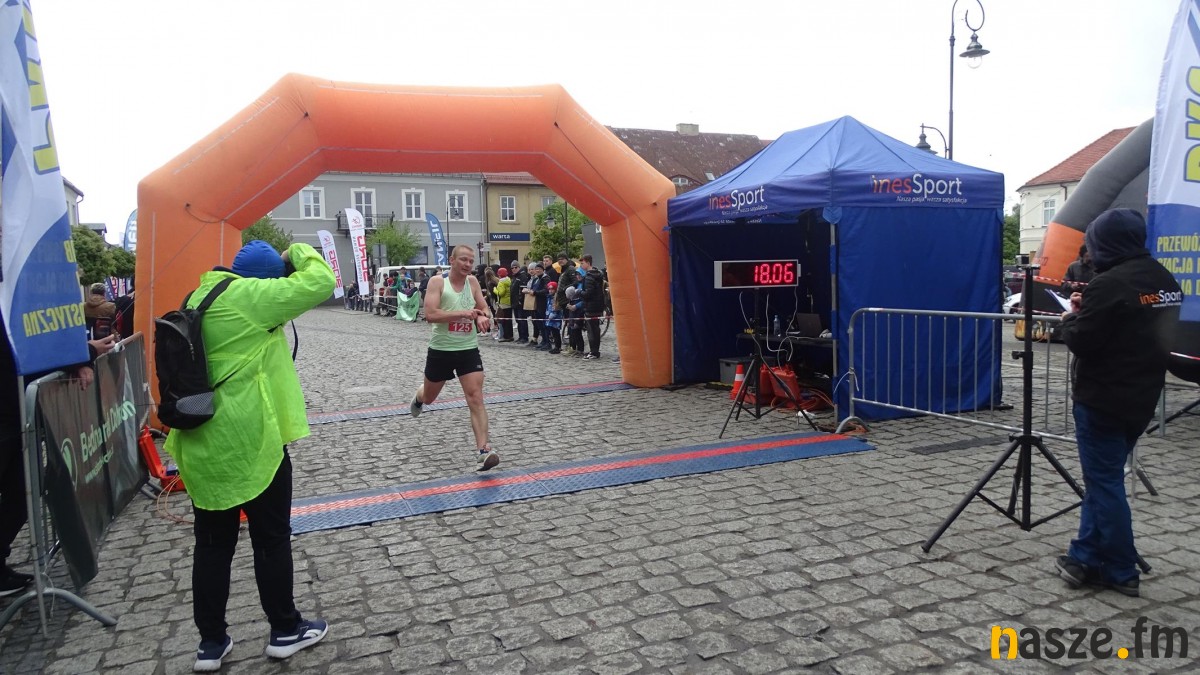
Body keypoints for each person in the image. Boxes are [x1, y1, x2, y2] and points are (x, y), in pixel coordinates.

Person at [163, 240, 333, 671]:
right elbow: (322, 281)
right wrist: (296, 251)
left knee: (212, 545)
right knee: (270, 538)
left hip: (201, 444)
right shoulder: (251, 297)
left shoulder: (201, 294)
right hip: (251, 442)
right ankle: (285, 629)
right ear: (267, 280)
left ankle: (211, 643)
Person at [1054, 209, 1181, 598]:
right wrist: (1090, 308)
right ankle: (1083, 557)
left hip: (1103, 398)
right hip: (1141, 396)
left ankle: (1121, 569)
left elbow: (1084, 339)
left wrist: (1070, 318)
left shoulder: (1108, 284)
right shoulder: (1164, 279)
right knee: (1104, 479)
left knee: (1105, 483)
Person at [0, 317, 96, 597]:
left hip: (15, 417)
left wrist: (80, 358)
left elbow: (33, 346)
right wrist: (84, 353)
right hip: (8, 416)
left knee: (23, 494)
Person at [409, 244, 498, 470]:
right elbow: (430, 314)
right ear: (452, 260)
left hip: (468, 349)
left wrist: (482, 316)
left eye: (471, 261)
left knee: (475, 397)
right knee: (429, 397)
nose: (468, 264)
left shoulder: (473, 282)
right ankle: (419, 397)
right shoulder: (438, 282)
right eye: (463, 260)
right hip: (441, 350)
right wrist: (463, 313)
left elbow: (484, 308)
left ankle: (483, 451)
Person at [579, 254, 606, 360]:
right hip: (598, 305)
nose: (581, 265)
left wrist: (579, 292)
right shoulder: (598, 274)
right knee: (595, 329)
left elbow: (588, 293)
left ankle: (594, 352)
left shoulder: (589, 277)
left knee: (592, 331)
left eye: (582, 263)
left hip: (591, 306)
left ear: (588, 263)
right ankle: (594, 350)